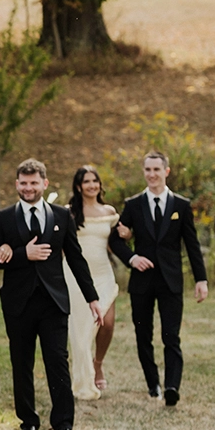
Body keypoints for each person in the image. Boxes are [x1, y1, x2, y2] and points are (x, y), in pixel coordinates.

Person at [0, 159, 101, 430]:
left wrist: (92, 297)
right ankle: (28, 424)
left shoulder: (62, 215)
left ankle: (63, 427)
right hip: (18, 303)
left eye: (34, 183)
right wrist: (23, 253)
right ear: (16, 184)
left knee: (57, 362)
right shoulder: (3, 218)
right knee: (21, 363)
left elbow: (75, 258)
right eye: (23, 183)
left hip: (54, 302)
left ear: (44, 184)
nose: (28, 188)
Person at [109, 151, 208, 407]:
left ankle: (172, 387)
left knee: (171, 336)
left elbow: (192, 244)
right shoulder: (132, 205)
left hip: (171, 282)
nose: (152, 174)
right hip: (142, 283)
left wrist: (201, 279)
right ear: (144, 172)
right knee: (143, 336)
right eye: (147, 170)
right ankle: (153, 384)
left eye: (156, 169)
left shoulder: (181, 205)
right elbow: (115, 240)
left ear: (167, 171)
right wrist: (132, 259)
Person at [65, 166, 120, 399]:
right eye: (86, 181)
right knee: (81, 329)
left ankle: (98, 363)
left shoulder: (109, 211)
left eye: (95, 181)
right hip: (75, 275)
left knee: (106, 324)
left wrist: (125, 235)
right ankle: (81, 377)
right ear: (78, 186)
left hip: (103, 273)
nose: (91, 185)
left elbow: (114, 244)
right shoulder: (69, 212)